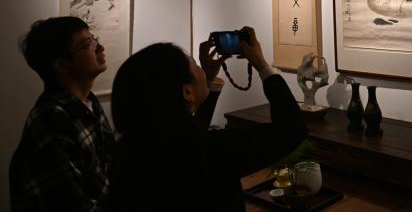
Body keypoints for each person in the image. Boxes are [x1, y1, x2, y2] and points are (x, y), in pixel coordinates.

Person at [107, 27, 307, 212]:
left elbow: (191, 135)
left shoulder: (126, 151)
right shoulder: (213, 151)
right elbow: (293, 129)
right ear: (187, 92)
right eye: (195, 65)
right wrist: (262, 64)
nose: (201, 68)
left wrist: (209, 79)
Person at [10, 17, 115, 212]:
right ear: (61, 65)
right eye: (88, 44)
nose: (100, 47)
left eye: (95, 40)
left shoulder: (89, 104)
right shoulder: (52, 121)